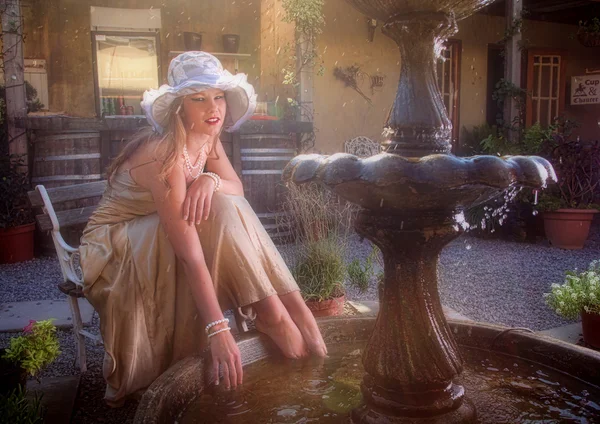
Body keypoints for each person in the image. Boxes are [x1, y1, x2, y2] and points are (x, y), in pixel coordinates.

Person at [78, 51, 327, 407]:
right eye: (199, 99)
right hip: (113, 245)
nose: (214, 108)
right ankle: (274, 314)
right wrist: (218, 329)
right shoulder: (162, 153)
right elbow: (190, 253)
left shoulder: (206, 135)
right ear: (180, 107)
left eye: (219, 96)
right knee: (204, 216)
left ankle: (289, 311)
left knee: (225, 203)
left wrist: (209, 179)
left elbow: (236, 189)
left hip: (157, 231)